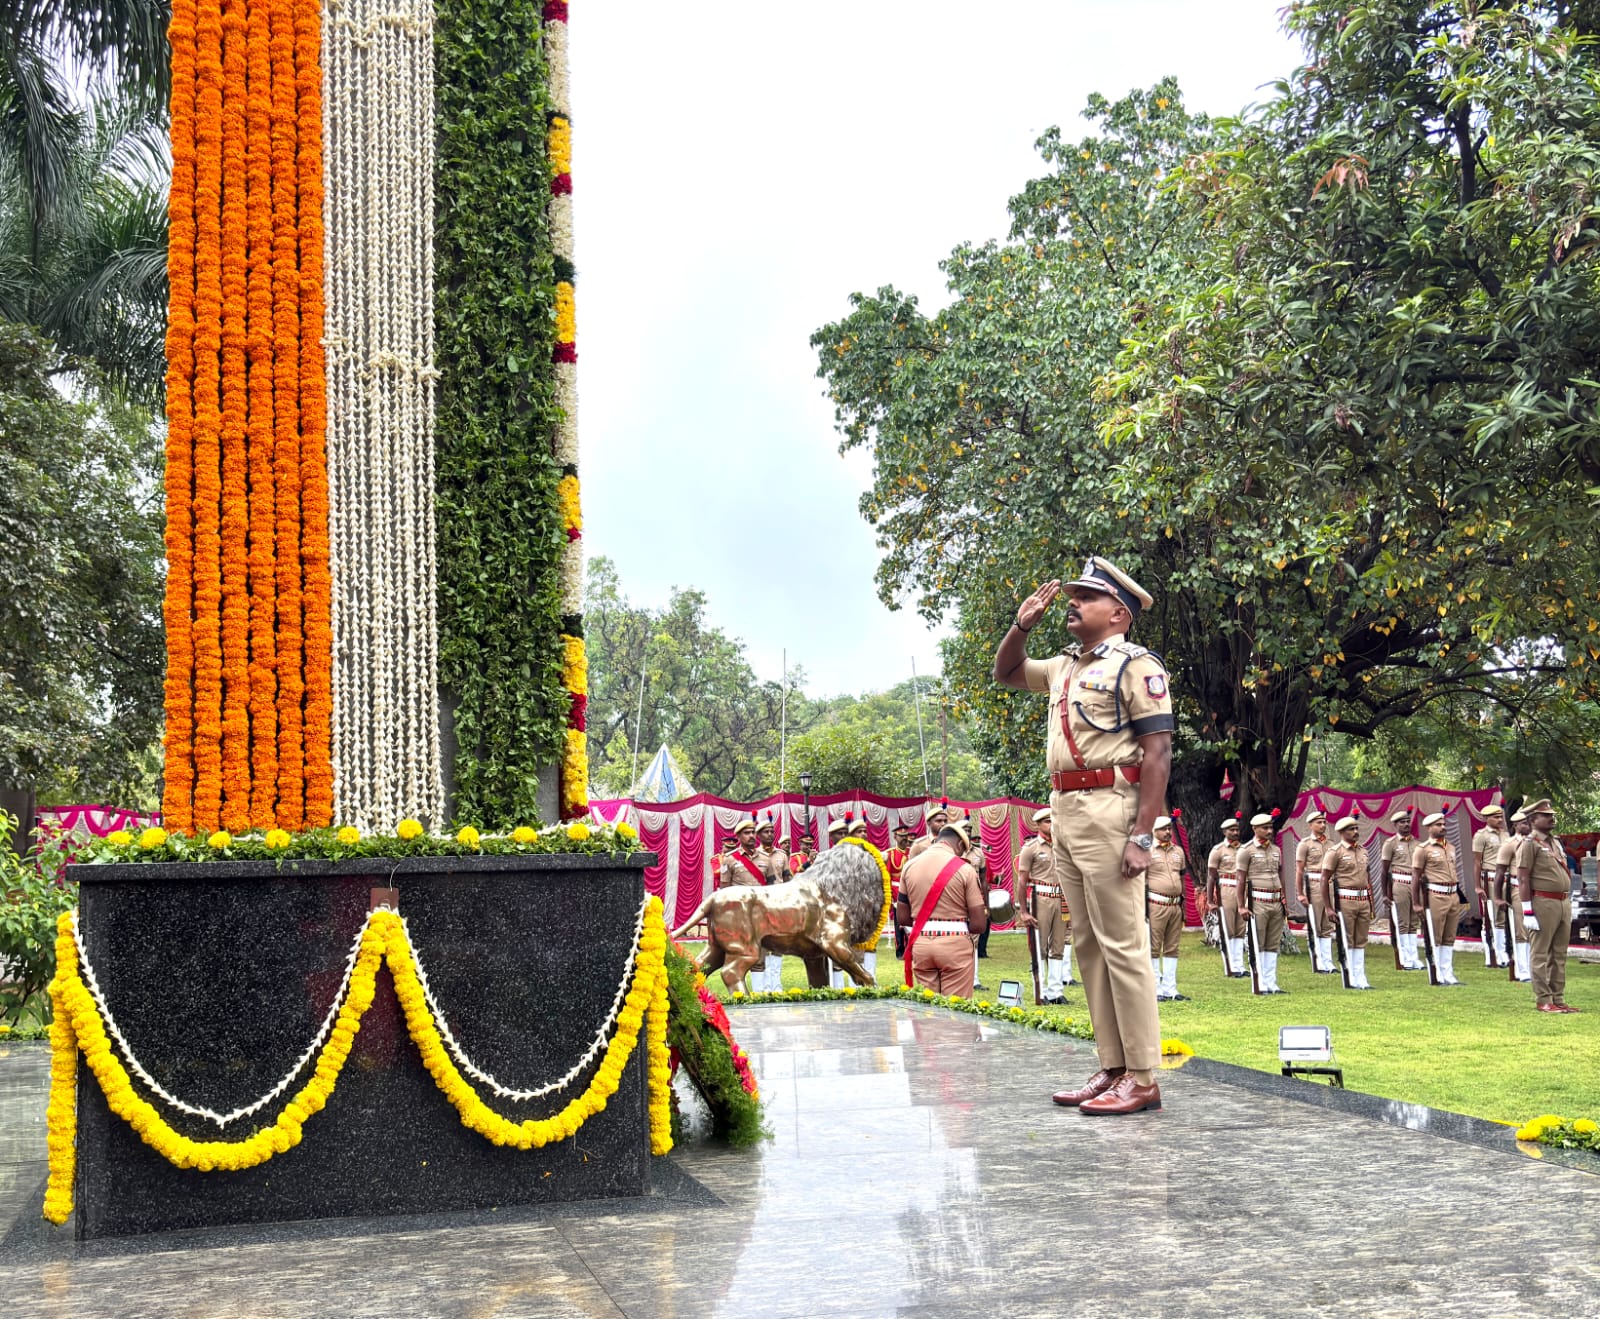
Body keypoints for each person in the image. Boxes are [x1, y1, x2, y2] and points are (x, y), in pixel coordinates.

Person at [993, 557, 1172, 1116]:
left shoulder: (1136, 667)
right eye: (1073, 596)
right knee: (1089, 944)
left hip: (1110, 808)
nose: (1072, 604)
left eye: (1086, 597)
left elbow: (1158, 751)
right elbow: (1006, 671)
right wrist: (1021, 625)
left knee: (1123, 944)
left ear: (1119, 613)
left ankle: (1142, 1076)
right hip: (1065, 808)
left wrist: (1143, 835)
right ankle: (1113, 1064)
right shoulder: (1065, 667)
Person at [896, 820, 987, 998]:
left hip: (921, 943)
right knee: (956, 1011)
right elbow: (978, 924)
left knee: (928, 1010)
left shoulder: (909, 866)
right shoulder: (965, 869)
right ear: (960, 844)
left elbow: (903, 917)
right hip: (955, 943)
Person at [1514, 799, 1578, 1013]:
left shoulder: (1555, 842)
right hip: (1542, 902)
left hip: (1562, 901)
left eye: (1552, 815)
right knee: (1540, 953)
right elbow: (1522, 879)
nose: (1552, 818)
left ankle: (1558, 998)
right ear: (1533, 820)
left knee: (1559, 953)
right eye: (1546, 815)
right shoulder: (1529, 844)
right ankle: (1543, 999)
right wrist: (1527, 910)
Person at [1016, 807, 1070, 1002]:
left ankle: (1057, 991)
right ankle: (1042, 991)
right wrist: (1023, 911)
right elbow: (1022, 881)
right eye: (1047, 821)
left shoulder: (1062, 846)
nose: (1051, 825)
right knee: (1040, 946)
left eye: (1053, 821)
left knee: (1058, 945)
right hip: (1041, 897)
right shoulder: (1031, 848)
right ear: (1038, 825)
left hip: (1061, 897)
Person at [1235, 812, 1287, 993]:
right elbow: (1240, 880)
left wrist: (1284, 898)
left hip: (1275, 901)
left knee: (1272, 944)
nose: (1269, 831)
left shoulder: (1276, 850)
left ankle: (1271, 982)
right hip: (1257, 901)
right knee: (1258, 943)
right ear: (1254, 829)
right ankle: (1259, 984)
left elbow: (1280, 875)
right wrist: (1241, 906)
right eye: (1265, 828)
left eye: (1270, 827)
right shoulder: (1246, 850)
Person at [1320, 816, 1374, 989]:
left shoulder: (1363, 851)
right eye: (1351, 829)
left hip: (1362, 899)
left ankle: (1361, 976)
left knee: (1361, 939)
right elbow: (1324, 879)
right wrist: (1328, 907)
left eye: (1356, 828)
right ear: (1342, 832)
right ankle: (1351, 975)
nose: (1356, 832)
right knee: (1348, 939)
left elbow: (1368, 877)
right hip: (1346, 899)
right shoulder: (1335, 852)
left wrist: (1370, 902)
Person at [1413, 811, 1465, 985]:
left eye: (1443, 824)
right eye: (1438, 825)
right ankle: (1436, 973)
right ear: (1429, 828)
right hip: (1436, 894)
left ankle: (1448, 972)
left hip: (1452, 894)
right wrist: (1416, 902)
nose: (1443, 827)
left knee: (1449, 936)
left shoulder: (1450, 847)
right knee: (1436, 935)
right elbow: (1416, 876)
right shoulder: (1423, 849)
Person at [1146, 816, 1188, 1001]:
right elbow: (1139, 882)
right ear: (1154, 831)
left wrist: (1184, 905)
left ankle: (1170, 988)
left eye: (1169, 829)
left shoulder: (1178, 851)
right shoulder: (1146, 850)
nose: (1168, 832)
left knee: (1172, 947)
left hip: (1175, 904)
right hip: (1156, 904)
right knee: (1154, 947)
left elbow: (1182, 878)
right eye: (1163, 829)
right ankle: (1155, 989)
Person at [1381, 810, 1425, 971]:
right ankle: (1404, 958)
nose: (1406, 824)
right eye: (1402, 822)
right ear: (1395, 825)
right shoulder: (1390, 844)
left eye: (1408, 821)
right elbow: (1384, 871)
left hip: (1415, 884)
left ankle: (1414, 958)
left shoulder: (1418, 844)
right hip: (1399, 882)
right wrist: (1385, 894)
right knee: (1402, 922)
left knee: (1414, 922)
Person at [1296, 810, 1337, 973]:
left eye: (1324, 822)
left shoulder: (1331, 844)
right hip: (1313, 884)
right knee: (1316, 924)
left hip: (1329, 884)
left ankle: (1328, 962)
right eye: (1319, 822)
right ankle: (1318, 961)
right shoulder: (1305, 844)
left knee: (1327, 924)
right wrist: (1300, 892)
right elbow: (1299, 870)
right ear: (1310, 825)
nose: (1322, 825)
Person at [1496, 810, 1533, 981]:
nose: (1527, 825)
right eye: (1523, 823)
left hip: (1536, 889)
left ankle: (1535, 968)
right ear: (1515, 826)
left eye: (1528, 822)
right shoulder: (1509, 844)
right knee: (1521, 930)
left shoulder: (1535, 842)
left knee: (1535, 929)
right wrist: (1497, 897)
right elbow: (1499, 872)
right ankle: (1522, 969)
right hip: (1518, 888)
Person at [1207, 818, 1246, 977]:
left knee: (1240, 929)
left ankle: (1239, 965)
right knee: (1228, 929)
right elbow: (1211, 877)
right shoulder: (1218, 850)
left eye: (1237, 829)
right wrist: (1210, 901)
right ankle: (1230, 966)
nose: (1235, 832)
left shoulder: (1244, 849)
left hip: (1242, 890)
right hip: (1227, 890)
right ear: (1224, 832)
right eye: (1231, 830)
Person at [1471, 804, 1508, 967]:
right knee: (1492, 917)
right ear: (1486, 818)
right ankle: (1493, 954)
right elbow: (1477, 862)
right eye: (1495, 817)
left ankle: (1504, 952)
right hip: (1490, 878)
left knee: (1505, 916)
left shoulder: (1506, 835)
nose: (1499, 819)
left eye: (1500, 816)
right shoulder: (1481, 836)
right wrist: (1478, 886)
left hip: (1506, 878)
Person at [755, 814, 789, 991]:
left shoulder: (782, 855)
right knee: (762, 943)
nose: (770, 834)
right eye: (766, 832)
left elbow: (787, 879)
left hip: (779, 903)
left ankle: (775, 984)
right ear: (758, 835)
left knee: (778, 943)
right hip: (761, 905)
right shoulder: (754, 855)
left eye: (771, 831)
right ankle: (763, 985)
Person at [887, 825, 913, 958]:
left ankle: (911, 949)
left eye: (905, 836)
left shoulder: (913, 852)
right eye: (901, 836)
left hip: (912, 892)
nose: (904, 839)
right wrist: (890, 895)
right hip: (897, 893)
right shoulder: (891, 854)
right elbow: (888, 876)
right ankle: (900, 950)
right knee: (899, 924)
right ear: (895, 837)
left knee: (911, 922)